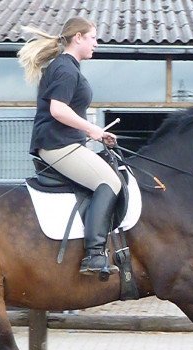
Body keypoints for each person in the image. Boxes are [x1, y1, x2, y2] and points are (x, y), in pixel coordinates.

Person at [18, 17, 121, 277]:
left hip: (66, 142)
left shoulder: (68, 68)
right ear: (78, 37)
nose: (96, 44)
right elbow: (58, 109)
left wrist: (97, 136)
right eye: (93, 38)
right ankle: (95, 255)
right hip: (56, 145)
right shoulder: (65, 69)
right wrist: (93, 129)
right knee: (110, 183)